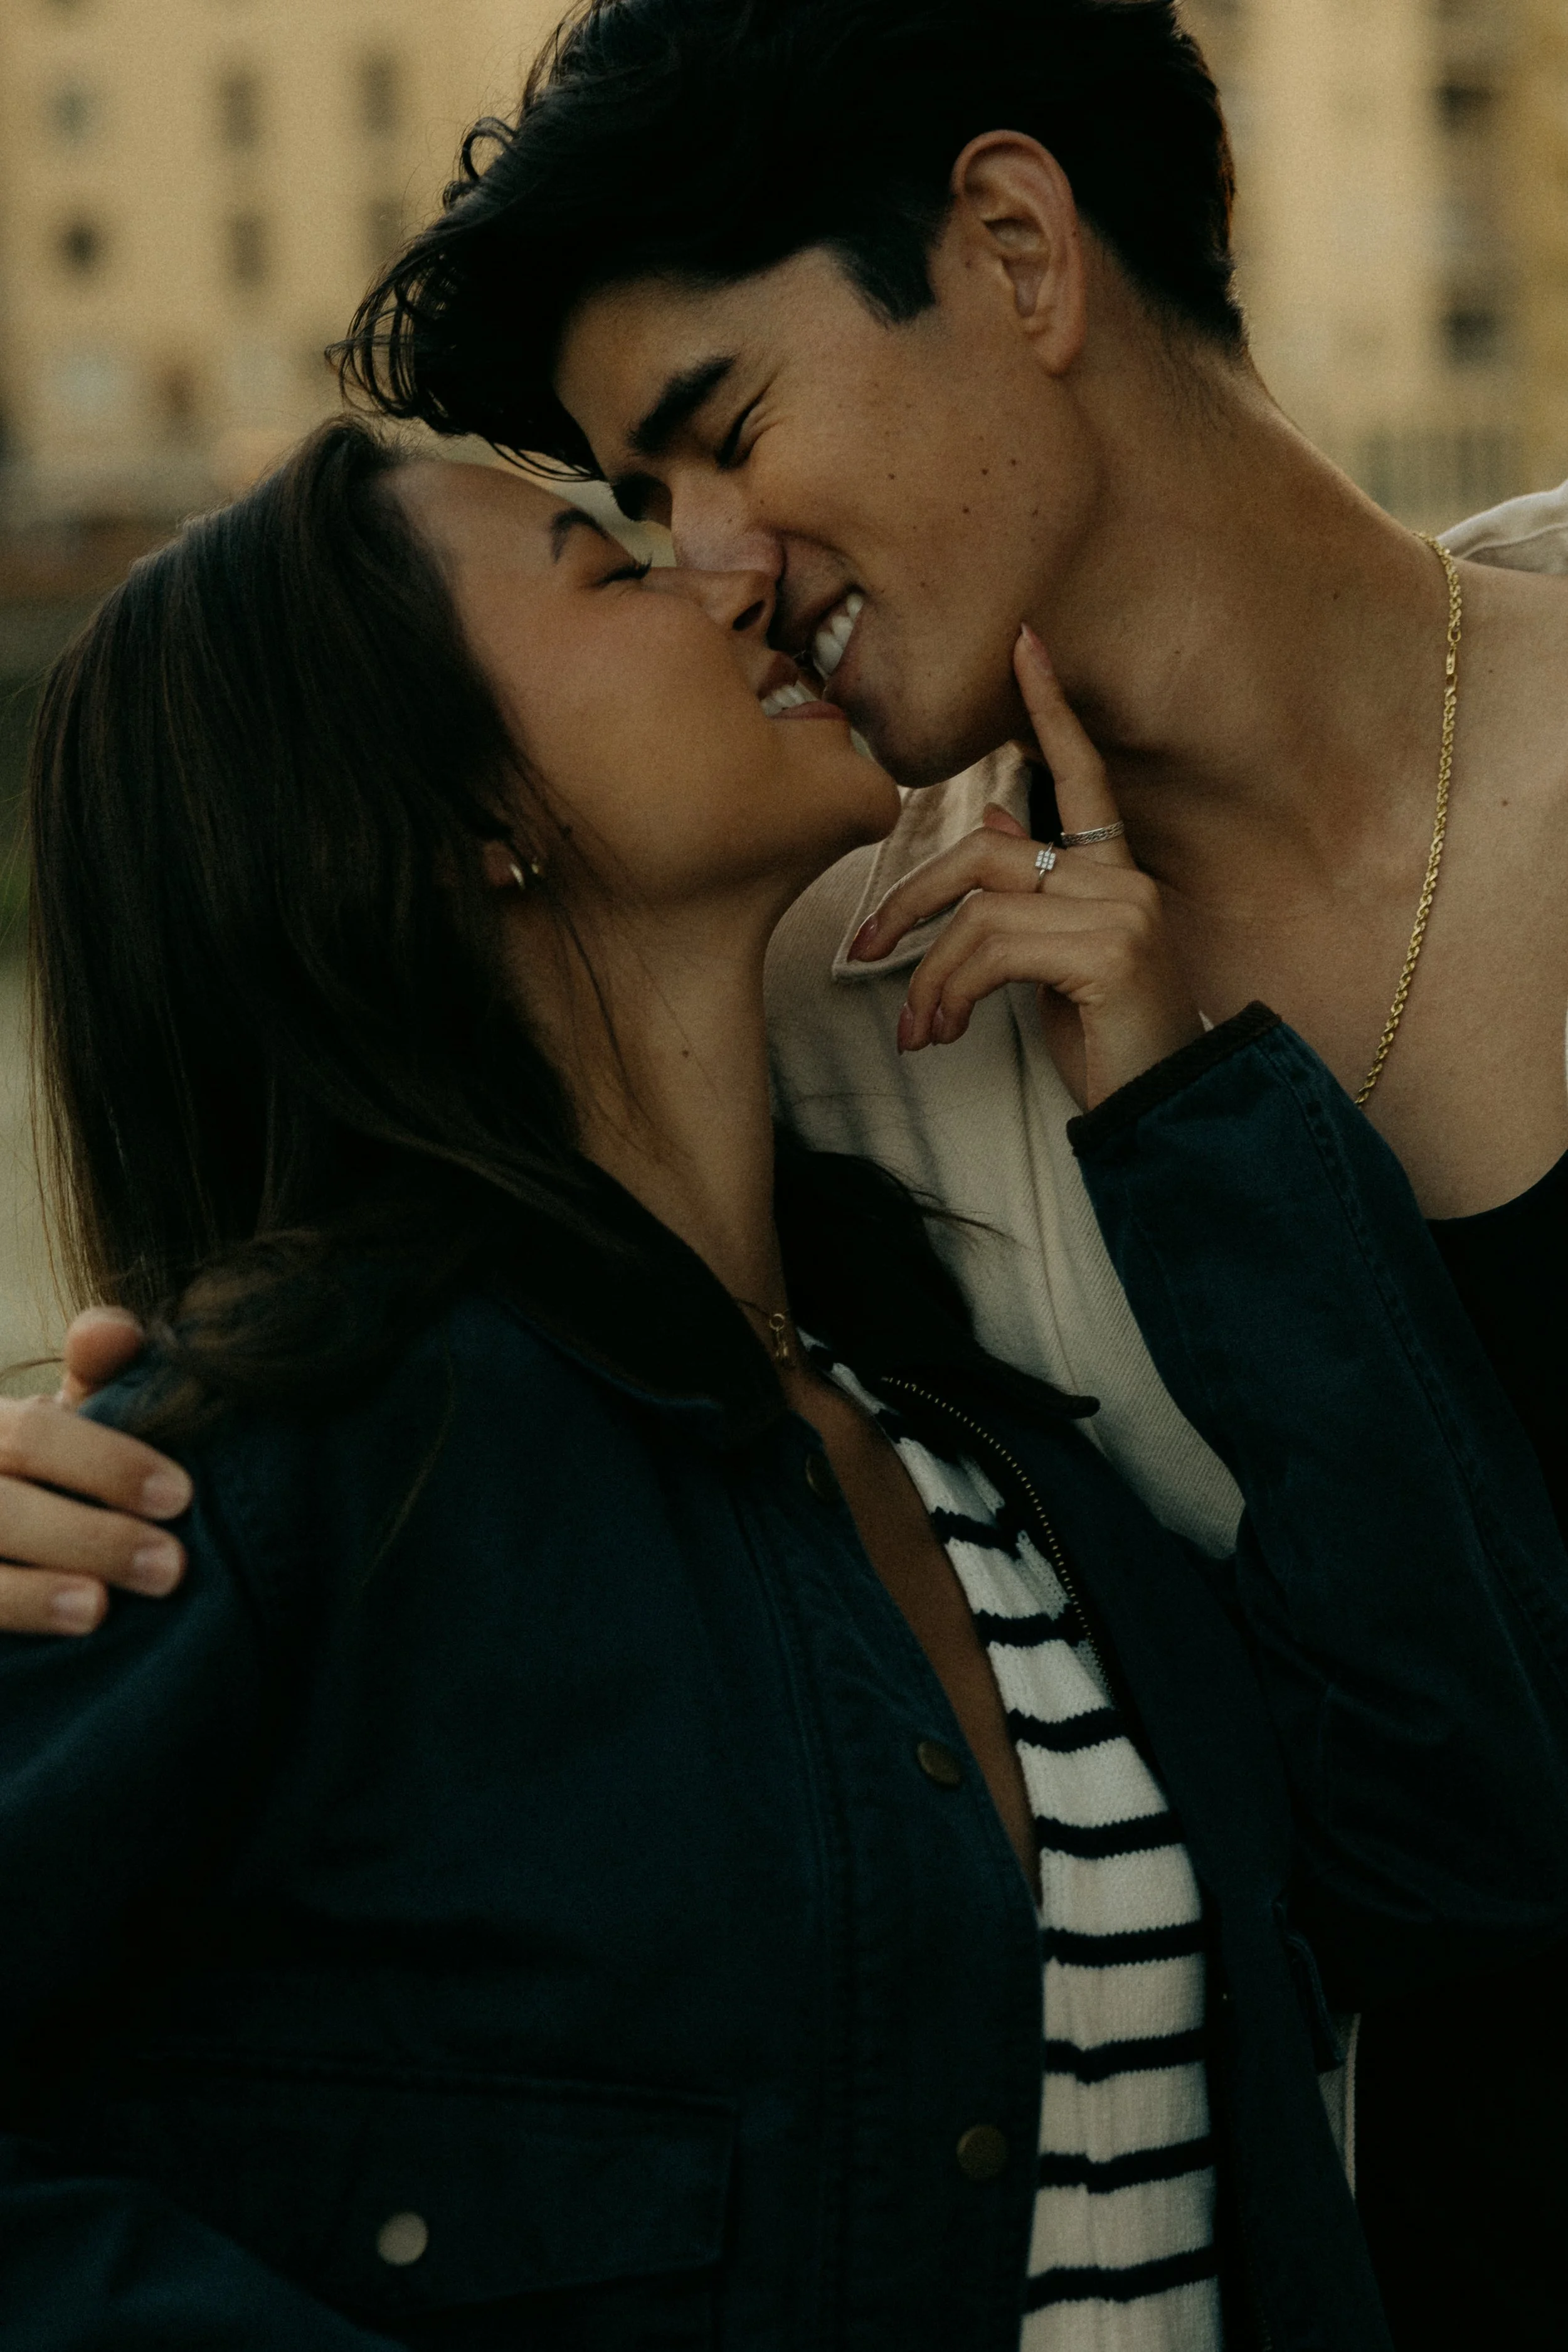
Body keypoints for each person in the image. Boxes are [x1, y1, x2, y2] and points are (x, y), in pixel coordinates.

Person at [0, 0, 1565, 2337]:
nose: (716, 567)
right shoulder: (843, 1015)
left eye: (711, 444)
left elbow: (1447, 1811)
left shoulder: (975, 1441)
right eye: (622, 536)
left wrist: (1185, 1114)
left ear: (1020, 251)